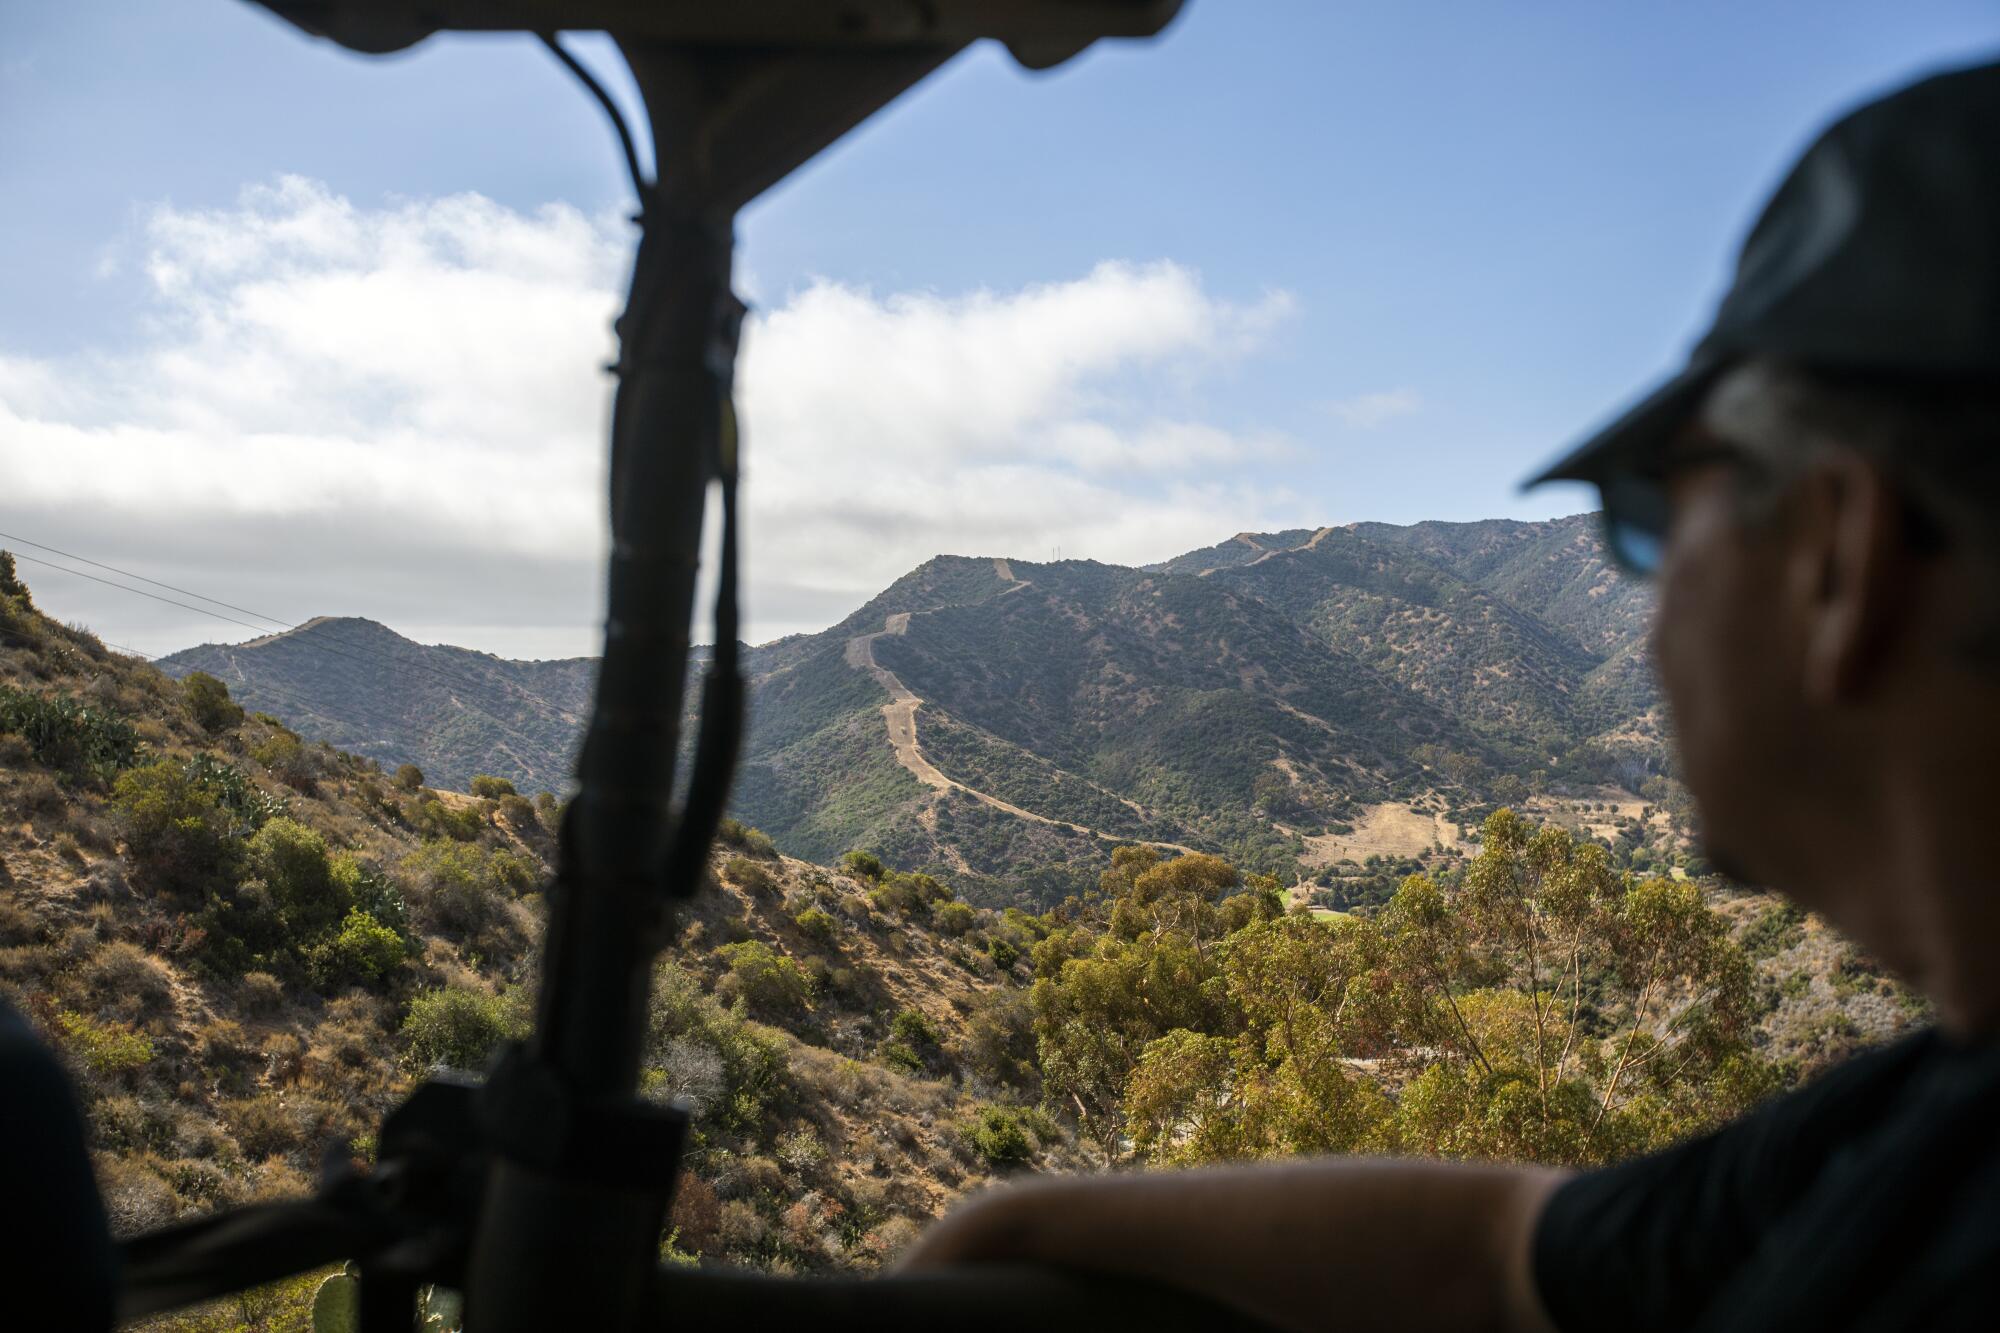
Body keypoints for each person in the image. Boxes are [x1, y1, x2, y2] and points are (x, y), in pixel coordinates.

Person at [901, 58, 2000, 1332]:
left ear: (1833, 555)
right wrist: (1008, 1227)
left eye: (1646, 516)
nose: (1637, 607)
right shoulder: (1912, 1129)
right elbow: (1499, 1250)